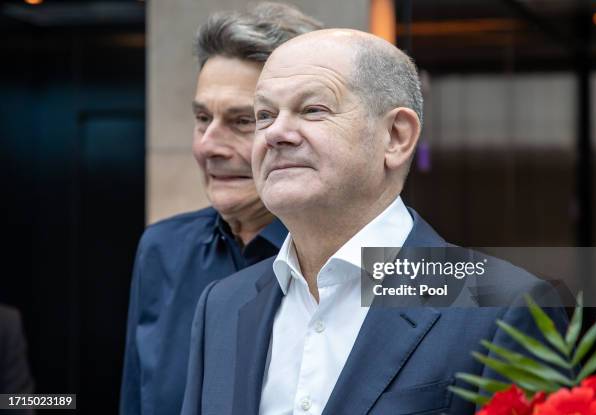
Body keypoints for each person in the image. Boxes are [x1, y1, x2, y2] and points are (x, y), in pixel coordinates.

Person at [181, 29, 567, 415]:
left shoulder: (502, 308)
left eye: (312, 109)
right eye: (264, 115)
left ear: (396, 137)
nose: (276, 133)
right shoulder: (222, 305)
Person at [119, 5, 322, 415]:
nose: (208, 146)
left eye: (244, 120)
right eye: (201, 118)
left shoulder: (377, 262)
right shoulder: (163, 249)